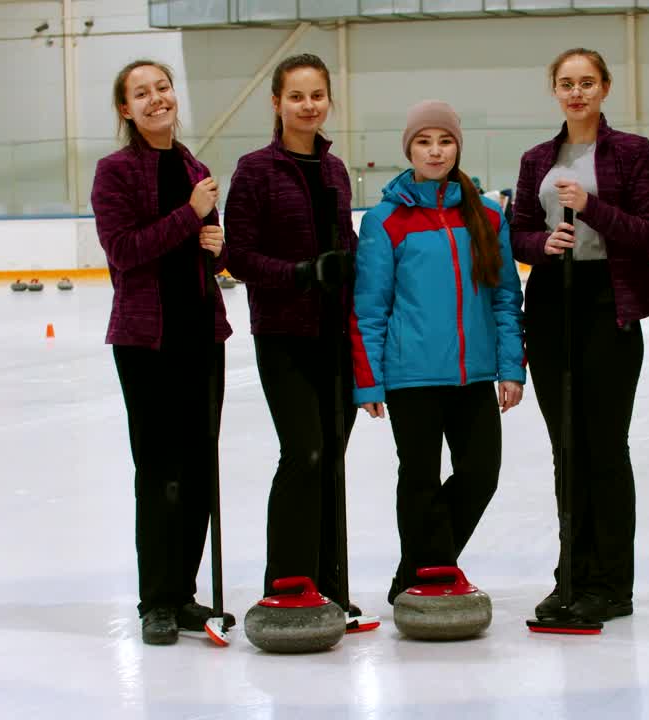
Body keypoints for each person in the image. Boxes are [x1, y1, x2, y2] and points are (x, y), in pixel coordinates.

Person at [510, 48, 649, 623]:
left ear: (604, 88)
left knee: (604, 448)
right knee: (566, 450)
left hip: (609, 302)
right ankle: (571, 576)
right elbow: (517, 231)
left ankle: (612, 583)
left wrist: (592, 208)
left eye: (587, 83)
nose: (576, 93)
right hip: (553, 302)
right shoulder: (536, 159)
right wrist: (539, 246)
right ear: (554, 90)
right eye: (566, 84)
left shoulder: (631, 152)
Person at [351, 100, 525, 603]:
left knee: (480, 474)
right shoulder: (385, 220)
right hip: (412, 377)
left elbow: (505, 297)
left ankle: (417, 569)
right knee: (420, 479)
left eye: (444, 141)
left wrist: (511, 367)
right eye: (424, 142)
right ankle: (431, 575)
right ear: (409, 148)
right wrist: (369, 380)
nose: (435, 150)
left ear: (457, 147)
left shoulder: (488, 216)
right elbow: (369, 308)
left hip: (474, 376)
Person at [223, 54, 374, 624]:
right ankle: (288, 581)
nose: (308, 106)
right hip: (285, 335)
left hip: (334, 336)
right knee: (304, 452)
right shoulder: (256, 169)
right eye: (296, 96)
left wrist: (357, 266)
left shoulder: (335, 170)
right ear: (276, 103)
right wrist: (302, 274)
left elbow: (348, 242)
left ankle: (330, 582)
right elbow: (238, 254)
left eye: (317, 95)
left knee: (330, 458)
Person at [90, 59, 233, 645]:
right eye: (141, 94)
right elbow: (124, 251)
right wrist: (191, 214)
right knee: (159, 472)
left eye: (164, 88)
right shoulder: (115, 172)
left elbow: (212, 256)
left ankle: (184, 594)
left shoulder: (194, 168)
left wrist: (217, 243)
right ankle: (156, 599)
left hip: (202, 336)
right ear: (126, 109)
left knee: (199, 471)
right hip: (146, 341)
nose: (157, 99)